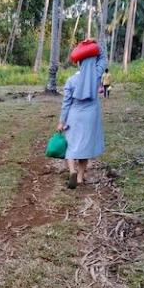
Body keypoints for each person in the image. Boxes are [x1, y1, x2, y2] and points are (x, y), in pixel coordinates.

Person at [57, 42, 106, 189]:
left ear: (79, 63)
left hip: (74, 114)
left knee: (71, 145)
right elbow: (103, 59)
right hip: (90, 116)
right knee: (85, 146)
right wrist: (95, 44)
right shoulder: (97, 76)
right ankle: (79, 178)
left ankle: (72, 170)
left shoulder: (71, 80)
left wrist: (61, 121)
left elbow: (66, 103)